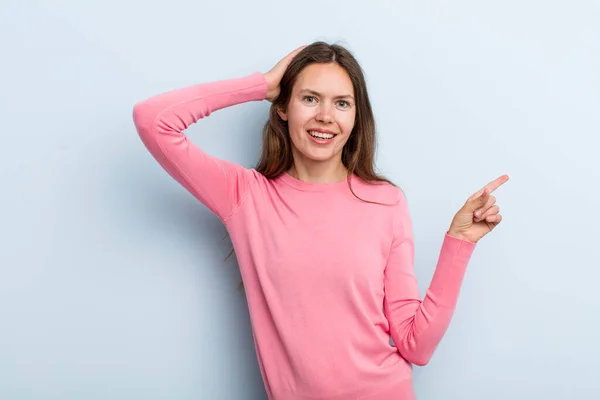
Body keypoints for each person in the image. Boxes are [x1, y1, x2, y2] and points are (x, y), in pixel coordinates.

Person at [132, 41, 509, 400]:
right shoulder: (245, 197)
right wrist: (260, 85)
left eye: (342, 103)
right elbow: (153, 120)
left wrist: (460, 242)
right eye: (310, 98)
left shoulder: (385, 202)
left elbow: (417, 345)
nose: (325, 116)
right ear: (284, 107)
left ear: (355, 116)